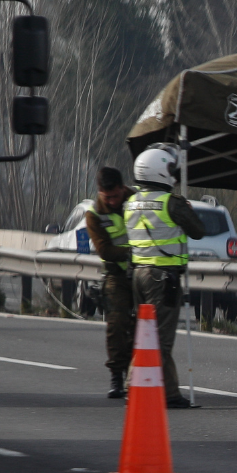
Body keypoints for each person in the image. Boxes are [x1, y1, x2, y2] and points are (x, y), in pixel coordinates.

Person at [125, 143, 206, 409]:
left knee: (146, 334)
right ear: (160, 171)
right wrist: (187, 208)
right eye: (171, 169)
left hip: (139, 274)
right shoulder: (171, 202)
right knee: (160, 338)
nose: (174, 174)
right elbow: (198, 230)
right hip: (162, 277)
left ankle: (169, 393)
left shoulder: (131, 202)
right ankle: (134, 386)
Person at [84, 167, 134, 399]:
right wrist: (131, 253)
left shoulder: (137, 200)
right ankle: (116, 375)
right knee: (116, 323)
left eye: (116, 196)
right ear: (100, 193)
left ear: (123, 188)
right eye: (108, 197)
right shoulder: (94, 214)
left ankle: (137, 374)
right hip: (116, 274)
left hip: (143, 271)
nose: (113, 201)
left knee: (143, 326)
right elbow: (104, 250)